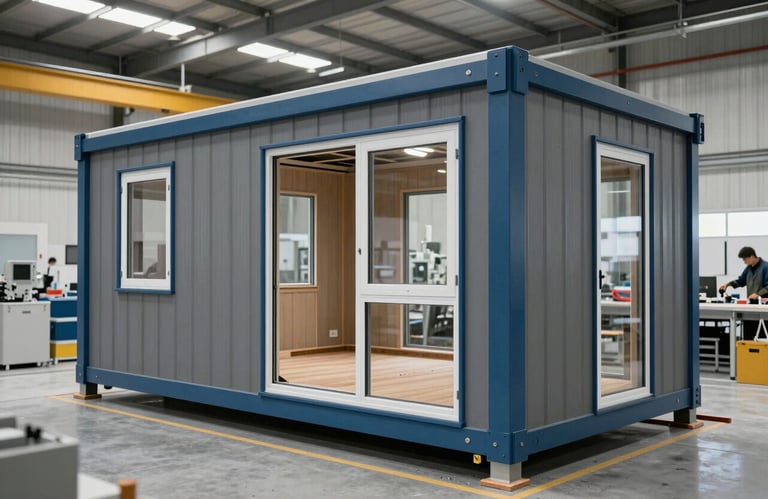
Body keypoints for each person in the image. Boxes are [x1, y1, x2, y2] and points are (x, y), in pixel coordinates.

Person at [719, 246, 768, 339]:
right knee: (749, 333)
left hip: (763, 308)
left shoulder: (765, 267)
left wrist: (758, 294)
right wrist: (728, 284)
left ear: (752, 256)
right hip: (751, 306)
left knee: (761, 336)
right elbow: (741, 281)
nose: (744, 262)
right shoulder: (748, 268)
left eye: (745, 259)